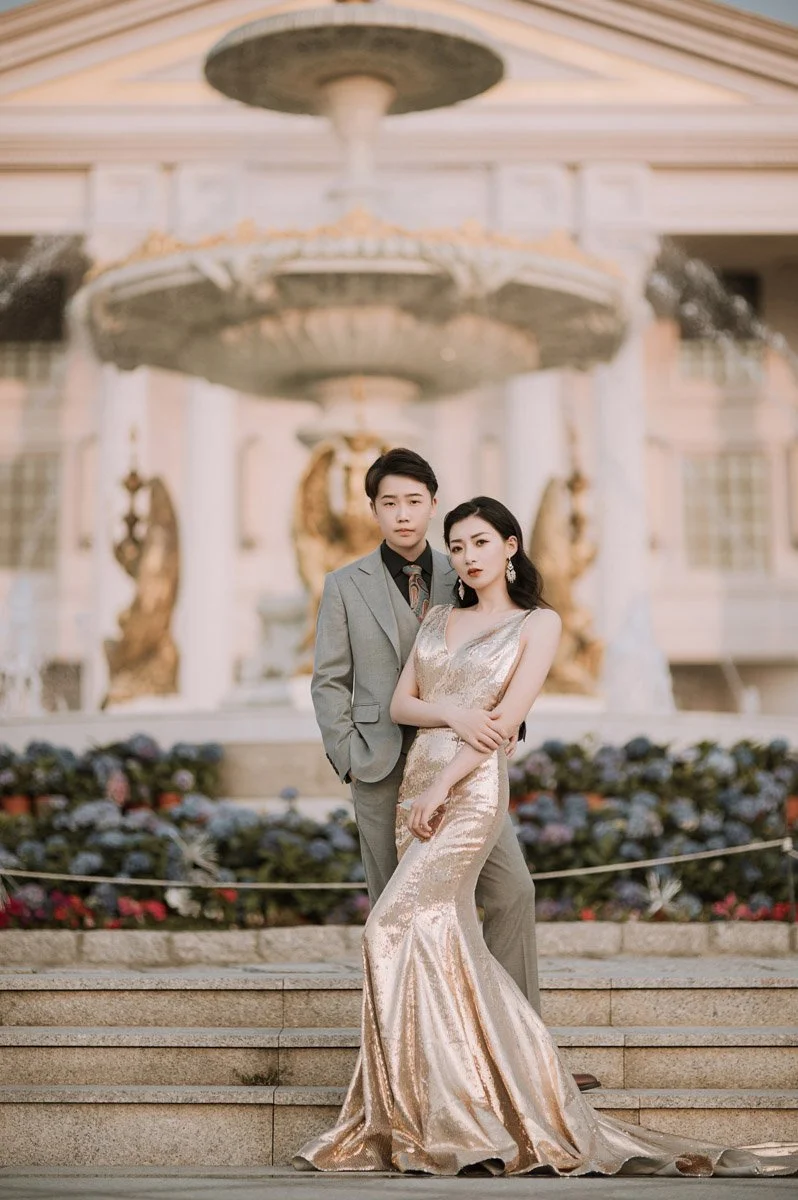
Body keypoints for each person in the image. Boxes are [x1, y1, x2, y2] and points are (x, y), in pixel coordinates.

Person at [296, 495, 798, 1178]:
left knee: (390, 924)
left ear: (510, 545)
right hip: (417, 779)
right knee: (441, 934)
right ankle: (462, 1093)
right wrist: (452, 717)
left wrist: (446, 784)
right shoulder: (439, 617)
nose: (467, 556)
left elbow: (505, 723)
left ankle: (498, 1084)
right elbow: (400, 704)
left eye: (480, 542)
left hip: (467, 789)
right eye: (457, 546)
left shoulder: (540, 623)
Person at [311, 449, 599, 1092]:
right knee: (400, 911)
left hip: (465, 768)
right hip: (383, 766)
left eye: (414, 501)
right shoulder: (345, 584)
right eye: (389, 502)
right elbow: (329, 682)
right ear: (373, 509)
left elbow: (503, 656)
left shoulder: (465, 564)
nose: (402, 514)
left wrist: (505, 726)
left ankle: (528, 1064)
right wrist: (350, 758)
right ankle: (415, 1069)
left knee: (511, 891)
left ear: (433, 504)